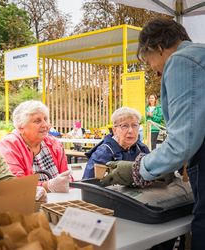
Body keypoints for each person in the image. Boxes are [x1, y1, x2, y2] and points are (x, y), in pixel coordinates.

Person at [100, 17, 205, 249]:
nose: (154, 71)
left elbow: (182, 142)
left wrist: (139, 169)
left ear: (157, 47)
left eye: (148, 61)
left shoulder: (181, 60)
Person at [0, 100, 71, 193]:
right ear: (21, 127)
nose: (45, 124)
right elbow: (16, 184)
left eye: (45, 119)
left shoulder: (54, 144)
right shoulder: (9, 145)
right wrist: (47, 186)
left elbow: (66, 178)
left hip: (57, 202)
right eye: (37, 121)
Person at [82, 107, 149, 179]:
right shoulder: (103, 153)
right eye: (124, 126)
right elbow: (88, 185)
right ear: (114, 130)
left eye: (134, 125)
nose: (130, 130)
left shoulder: (142, 149)